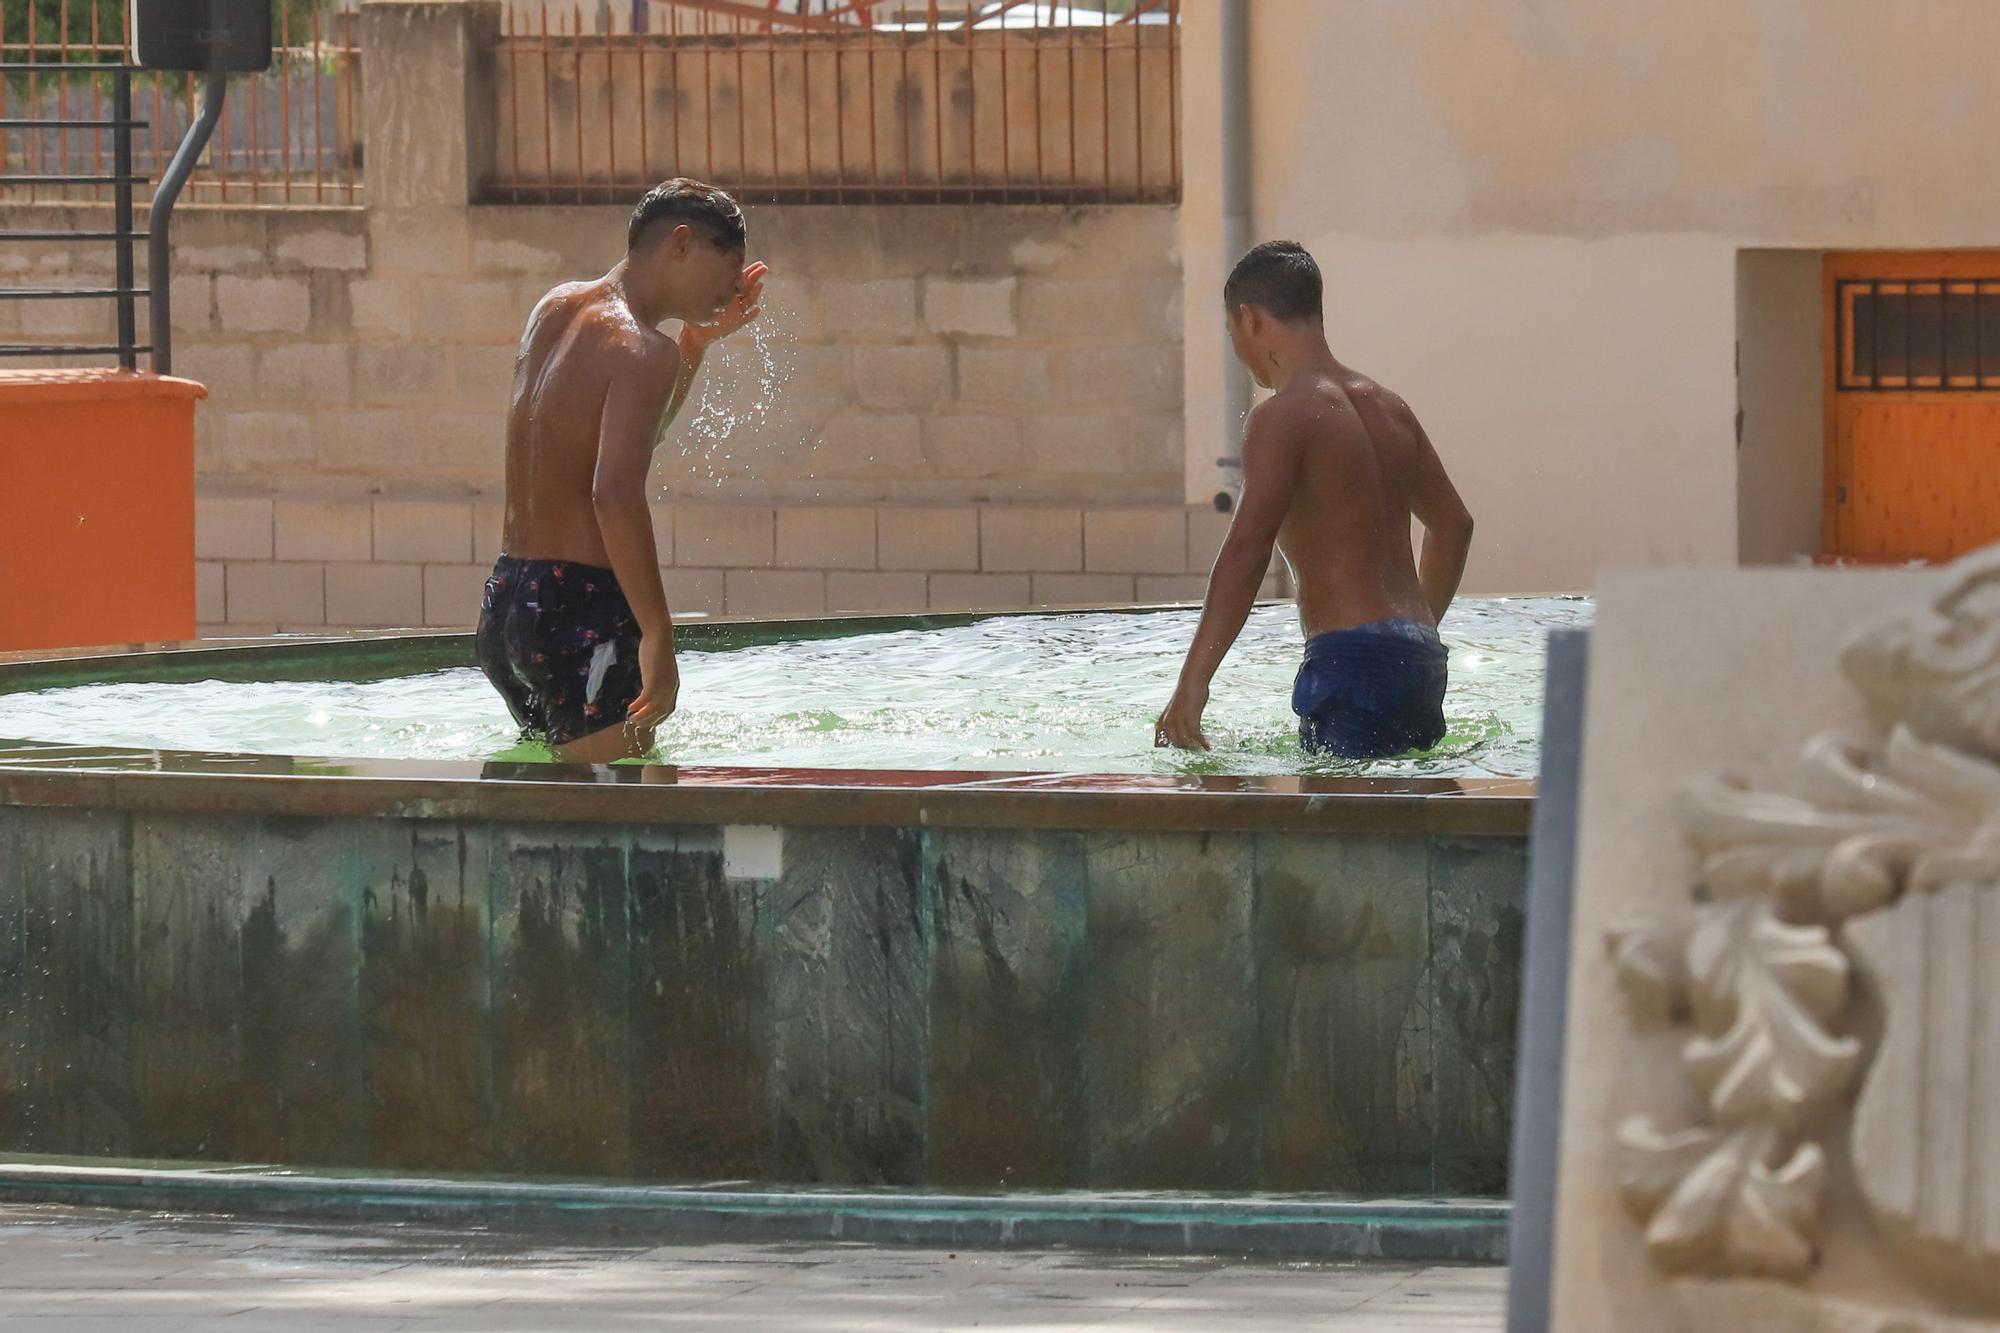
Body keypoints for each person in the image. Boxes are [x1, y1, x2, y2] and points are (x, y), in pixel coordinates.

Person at [476, 178, 767, 762]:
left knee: (546, 812)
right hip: (581, 610)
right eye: (729, 265)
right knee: (625, 819)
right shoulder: (642, 349)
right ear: (680, 244)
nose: (736, 286)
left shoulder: (556, 308)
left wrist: (695, 344)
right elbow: (613, 493)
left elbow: (639, 432)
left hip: (510, 602)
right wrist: (658, 635)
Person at [1155, 240, 1475, 760]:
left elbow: (1247, 548)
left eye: (1231, 329)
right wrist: (1414, 634)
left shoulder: (1283, 416)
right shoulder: (1389, 407)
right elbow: (1453, 526)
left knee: (1337, 826)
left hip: (1349, 659)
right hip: (1421, 661)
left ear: (1249, 319)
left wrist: (1192, 685)